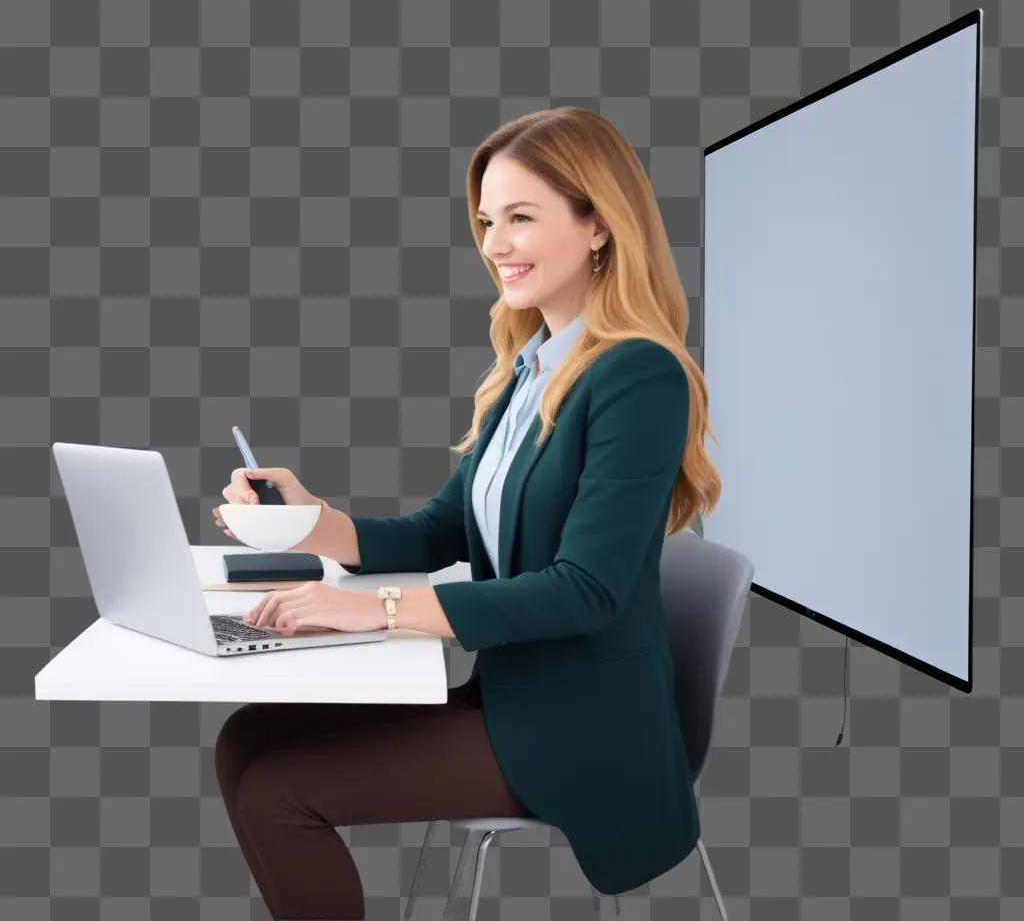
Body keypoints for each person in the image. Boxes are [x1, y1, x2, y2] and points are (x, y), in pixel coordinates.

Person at [211, 106, 721, 920]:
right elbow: (435, 534)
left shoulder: (639, 377)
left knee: (277, 791)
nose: (494, 244)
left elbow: (584, 589)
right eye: (487, 220)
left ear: (599, 226)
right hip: (515, 696)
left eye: (522, 217)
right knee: (244, 740)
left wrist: (369, 610)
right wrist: (307, 518)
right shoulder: (528, 373)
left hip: (585, 729)